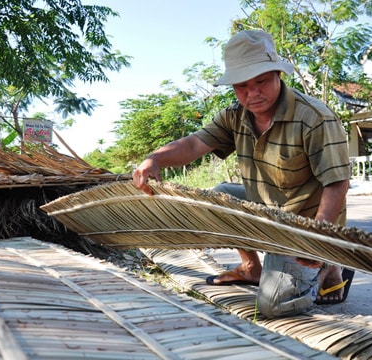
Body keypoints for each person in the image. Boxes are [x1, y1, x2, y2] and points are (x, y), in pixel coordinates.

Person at [133, 30, 353, 316]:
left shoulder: (314, 118)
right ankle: (251, 268)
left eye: (261, 81)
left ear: (277, 74)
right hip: (268, 209)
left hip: (304, 223)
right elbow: (193, 144)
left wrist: (316, 237)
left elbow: (337, 183)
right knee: (220, 196)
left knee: (273, 305)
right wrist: (154, 159)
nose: (252, 93)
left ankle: (329, 264)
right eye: (242, 85)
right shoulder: (234, 116)